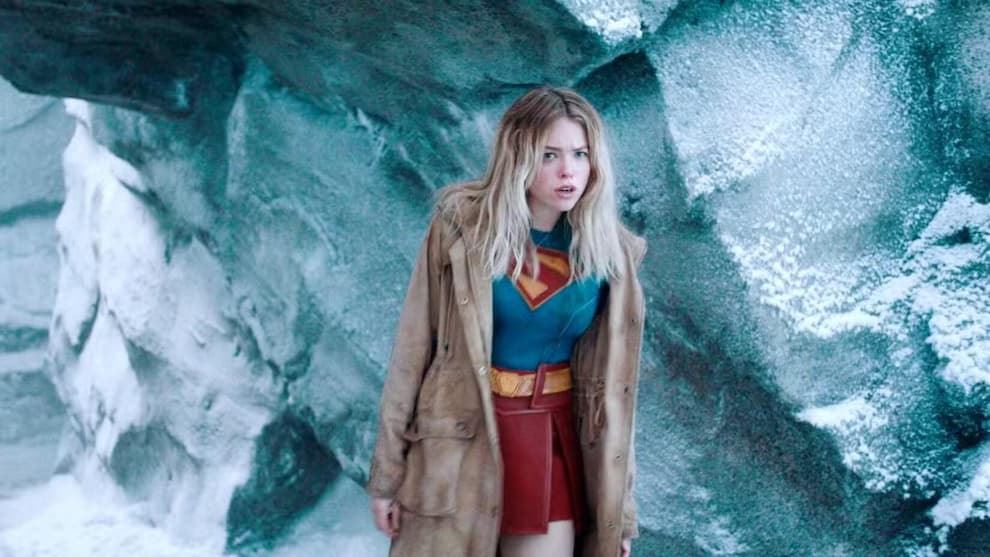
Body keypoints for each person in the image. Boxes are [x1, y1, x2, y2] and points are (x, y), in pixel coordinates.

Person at [367, 86, 647, 557]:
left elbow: (617, 395)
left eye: (580, 154)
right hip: (459, 438)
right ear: (518, 156)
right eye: (549, 155)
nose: (568, 171)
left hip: (553, 441)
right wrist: (387, 477)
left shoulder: (611, 255)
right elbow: (412, 352)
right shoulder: (461, 227)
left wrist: (620, 512)